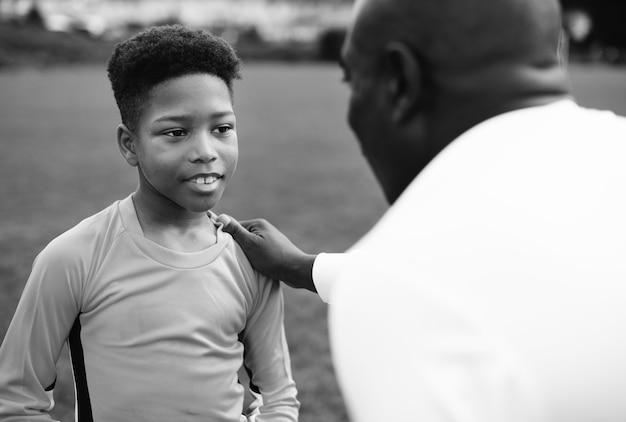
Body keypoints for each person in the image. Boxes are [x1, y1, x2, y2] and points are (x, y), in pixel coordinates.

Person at [217, 0, 626, 420]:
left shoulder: (407, 295)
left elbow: (420, 281)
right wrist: (306, 268)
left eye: (353, 82)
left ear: (400, 80)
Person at [0, 25, 299, 422]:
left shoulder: (252, 261)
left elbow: (278, 396)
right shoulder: (73, 257)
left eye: (222, 128)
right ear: (130, 144)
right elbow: (16, 402)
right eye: (176, 132)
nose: (206, 152)